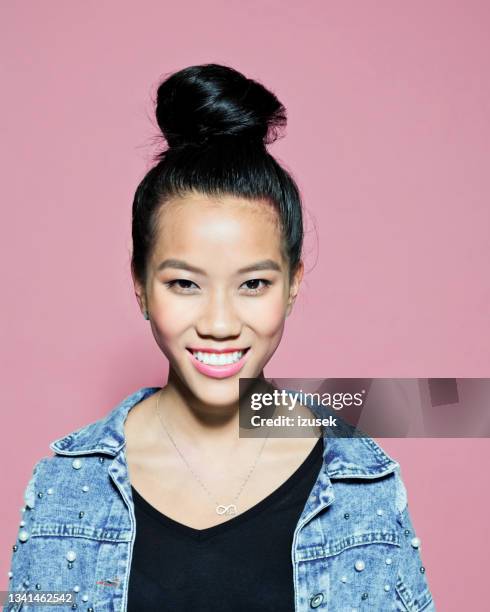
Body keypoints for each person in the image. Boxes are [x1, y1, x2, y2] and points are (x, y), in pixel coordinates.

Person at [4, 63, 435, 612]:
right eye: (184, 283)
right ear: (139, 284)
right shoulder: (67, 486)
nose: (220, 322)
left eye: (253, 283)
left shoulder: (360, 482)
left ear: (294, 284)